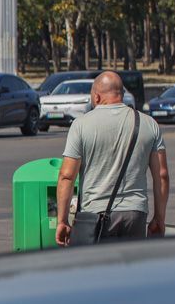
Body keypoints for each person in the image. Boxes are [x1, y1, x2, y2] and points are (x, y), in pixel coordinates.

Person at [55, 71, 169, 246]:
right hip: (135, 215)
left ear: (96, 97)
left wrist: (62, 221)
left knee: (97, 272)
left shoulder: (81, 125)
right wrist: (159, 218)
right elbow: (161, 175)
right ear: (121, 95)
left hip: (95, 216)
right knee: (130, 272)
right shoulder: (148, 124)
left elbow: (66, 176)